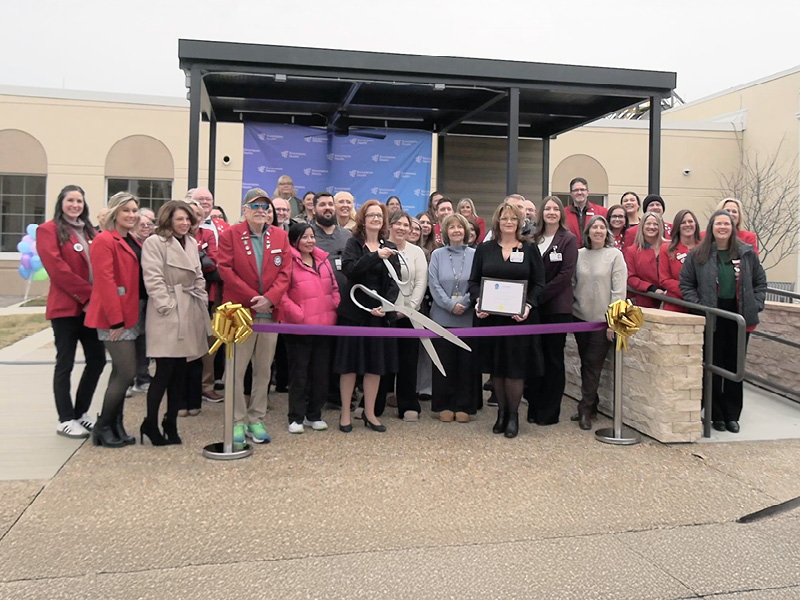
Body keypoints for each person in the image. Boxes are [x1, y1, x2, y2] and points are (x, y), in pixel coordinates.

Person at [680, 210, 766, 433]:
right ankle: (716, 414)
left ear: (733, 227)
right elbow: (686, 285)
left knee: (735, 366)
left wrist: (755, 304)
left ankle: (732, 415)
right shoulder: (699, 254)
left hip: (739, 318)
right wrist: (700, 307)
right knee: (714, 366)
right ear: (711, 227)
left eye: (727, 224)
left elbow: (760, 281)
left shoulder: (746, 253)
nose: (723, 227)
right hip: (712, 318)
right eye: (718, 224)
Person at [218, 190, 292, 445]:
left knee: (263, 369)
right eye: (255, 206)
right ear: (245, 209)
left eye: (265, 206)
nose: (261, 210)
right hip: (240, 311)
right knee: (236, 369)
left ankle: (256, 418)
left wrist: (270, 298)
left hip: (270, 312)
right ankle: (237, 420)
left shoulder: (281, 236)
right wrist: (253, 298)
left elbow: (285, 271)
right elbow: (225, 270)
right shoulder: (231, 234)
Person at [468, 201, 545, 438]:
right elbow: (473, 282)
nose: (509, 222)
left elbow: (539, 284)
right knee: (497, 369)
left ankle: (513, 417)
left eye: (513, 219)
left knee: (515, 370)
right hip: (490, 320)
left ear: (519, 222)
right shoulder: (485, 249)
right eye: (504, 219)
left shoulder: (529, 249)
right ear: (497, 222)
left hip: (518, 320)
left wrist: (529, 305)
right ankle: (501, 414)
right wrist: (479, 301)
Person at [38, 185, 106, 438]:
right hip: (66, 308)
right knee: (64, 363)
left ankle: (80, 412)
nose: (75, 205)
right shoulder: (49, 231)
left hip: (91, 310)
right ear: (61, 203)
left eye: (79, 200)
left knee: (97, 360)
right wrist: (89, 294)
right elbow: (57, 269)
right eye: (70, 200)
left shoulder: (90, 231)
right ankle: (65, 418)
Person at [140, 201, 210, 445]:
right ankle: (150, 422)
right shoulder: (154, 242)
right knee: (164, 371)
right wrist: (166, 305)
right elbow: (153, 277)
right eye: (180, 219)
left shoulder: (190, 242)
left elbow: (198, 274)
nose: (185, 223)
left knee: (181, 371)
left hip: (188, 307)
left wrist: (200, 296)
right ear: (168, 219)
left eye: (188, 219)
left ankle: (171, 421)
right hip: (167, 312)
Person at [333, 200, 401, 433]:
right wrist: (375, 256)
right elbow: (351, 271)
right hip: (354, 314)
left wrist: (385, 305)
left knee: (375, 366)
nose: (375, 219)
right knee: (349, 366)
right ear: (363, 219)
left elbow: (395, 282)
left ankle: (370, 413)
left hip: (378, 315)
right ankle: (345, 414)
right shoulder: (353, 244)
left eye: (379, 216)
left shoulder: (390, 246)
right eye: (371, 215)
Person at [84, 192, 143, 448]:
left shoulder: (132, 240)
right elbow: (105, 282)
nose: (132, 215)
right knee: (127, 371)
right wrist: (116, 321)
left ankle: (116, 425)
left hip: (132, 312)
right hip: (114, 317)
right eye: (126, 210)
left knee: (121, 372)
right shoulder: (104, 240)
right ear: (114, 213)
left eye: (134, 210)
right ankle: (102, 426)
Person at [277, 223, 340, 433]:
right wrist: (297, 313)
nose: (310, 241)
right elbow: (281, 292)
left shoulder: (323, 260)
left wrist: (334, 303)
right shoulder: (288, 261)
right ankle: (296, 416)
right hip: (298, 327)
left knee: (320, 373)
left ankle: (314, 414)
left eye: (312, 237)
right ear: (295, 240)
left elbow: (334, 286)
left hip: (324, 326)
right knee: (299, 374)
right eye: (305, 237)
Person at [572, 215, 627, 431]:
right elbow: (573, 283)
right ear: (588, 232)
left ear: (607, 232)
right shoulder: (578, 255)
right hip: (580, 318)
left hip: (603, 321)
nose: (598, 231)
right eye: (594, 227)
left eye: (601, 227)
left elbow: (619, 291)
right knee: (586, 363)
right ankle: (592, 404)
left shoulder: (615, 256)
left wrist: (614, 322)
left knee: (594, 365)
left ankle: (585, 409)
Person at [527, 196, 578, 425]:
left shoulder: (568, 240)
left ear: (561, 213)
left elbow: (565, 276)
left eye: (555, 208)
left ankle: (549, 413)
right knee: (535, 358)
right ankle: (533, 407)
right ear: (541, 213)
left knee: (553, 359)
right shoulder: (532, 239)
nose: (551, 212)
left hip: (556, 307)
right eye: (547, 208)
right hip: (533, 309)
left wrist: (537, 295)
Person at [429, 213, 479, 422]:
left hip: (467, 318)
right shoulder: (437, 255)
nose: (456, 230)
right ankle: (444, 405)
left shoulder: (476, 254)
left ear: (466, 231)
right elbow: (433, 283)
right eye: (452, 227)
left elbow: (477, 282)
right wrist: (450, 305)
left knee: (465, 365)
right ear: (445, 232)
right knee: (443, 363)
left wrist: (464, 303)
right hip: (441, 318)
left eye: (460, 227)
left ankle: (464, 406)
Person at [378, 211, 428, 422]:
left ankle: (408, 403)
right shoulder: (379, 250)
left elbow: (420, 283)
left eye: (405, 225)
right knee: (381, 362)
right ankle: (374, 404)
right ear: (389, 226)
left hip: (409, 315)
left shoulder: (416, 252)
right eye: (396, 223)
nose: (401, 228)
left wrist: (409, 308)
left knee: (408, 361)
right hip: (383, 314)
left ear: (410, 229)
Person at [191, 187, 228, 403]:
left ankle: (207, 383)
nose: (205, 203)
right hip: (189, 292)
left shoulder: (218, 227)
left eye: (208, 199)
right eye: (199, 200)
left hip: (216, 290)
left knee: (212, 338)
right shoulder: (181, 231)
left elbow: (216, 259)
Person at [130, 206, 156, 395]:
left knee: (144, 340)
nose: (146, 227)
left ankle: (143, 376)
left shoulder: (153, 243)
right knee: (132, 339)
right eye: (142, 224)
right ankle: (129, 378)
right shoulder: (131, 244)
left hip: (150, 297)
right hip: (134, 298)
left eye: (150, 224)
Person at [659, 210, 701, 312]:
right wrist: (689, 292)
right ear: (678, 226)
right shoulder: (667, 249)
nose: (687, 225)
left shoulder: (704, 248)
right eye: (683, 222)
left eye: (690, 221)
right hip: (675, 305)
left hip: (700, 304)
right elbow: (664, 280)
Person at [625, 211, 667, 308]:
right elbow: (631, 278)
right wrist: (652, 289)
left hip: (670, 300)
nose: (652, 227)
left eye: (655, 224)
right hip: (645, 300)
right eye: (648, 223)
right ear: (642, 226)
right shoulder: (632, 251)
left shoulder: (669, 247)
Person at [565, 177, 607, 245]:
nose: (579, 192)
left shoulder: (601, 212)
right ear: (571, 193)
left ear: (587, 192)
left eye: (582, 190)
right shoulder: (563, 213)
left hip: (594, 252)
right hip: (571, 252)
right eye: (576, 190)